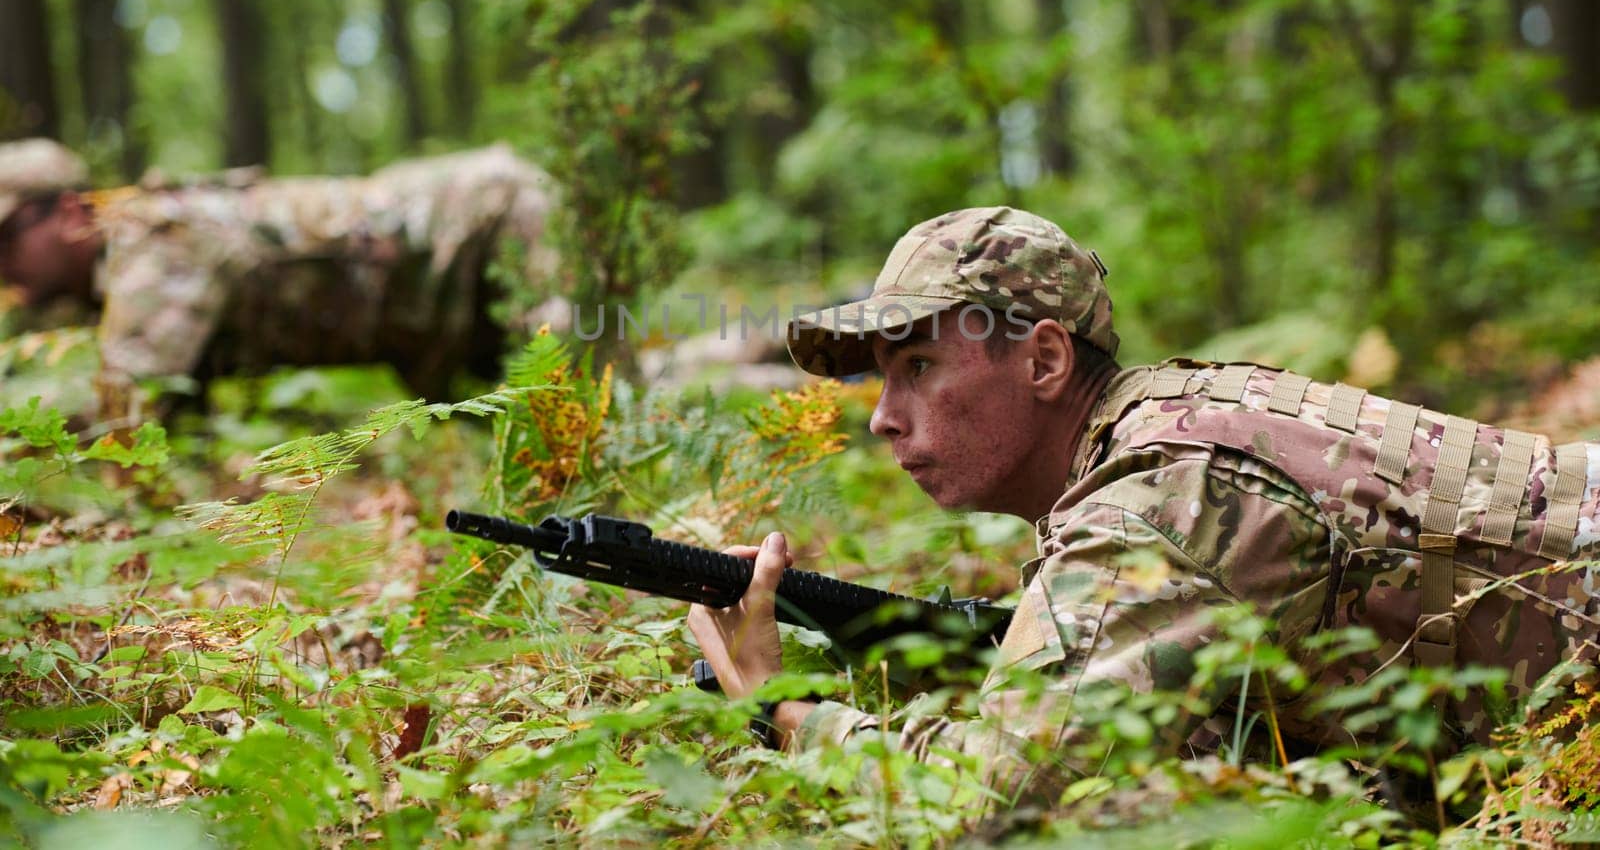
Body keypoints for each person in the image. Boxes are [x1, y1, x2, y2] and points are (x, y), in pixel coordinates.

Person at [687, 205, 1600, 800]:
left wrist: (787, 711)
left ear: (1044, 362)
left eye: (919, 368)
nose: (885, 419)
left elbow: (996, 804)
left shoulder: (1158, 502)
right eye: (883, 381)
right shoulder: (1174, 419)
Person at [0, 139, 559, 424]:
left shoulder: (156, 246)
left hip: (482, 212)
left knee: (601, 386)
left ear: (70, 212)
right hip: (440, 299)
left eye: (6, 239)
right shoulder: (126, 263)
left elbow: (122, 415)